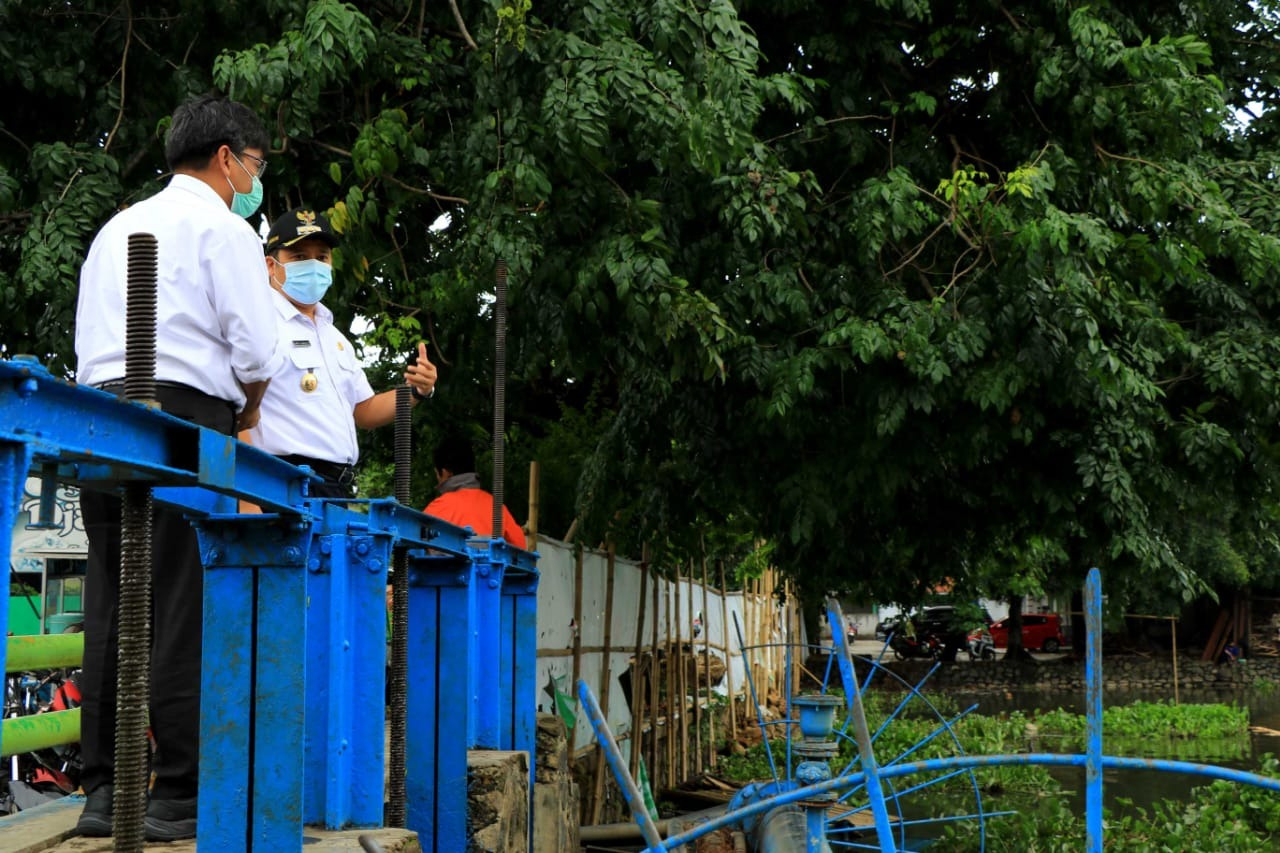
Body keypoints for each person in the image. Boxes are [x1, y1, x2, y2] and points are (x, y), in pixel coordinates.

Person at [73, 94, 285, 841]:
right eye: (256, 166)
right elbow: (259, 354)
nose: (255, 182)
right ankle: (177, 791)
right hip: (183, 414)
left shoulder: (114, 229)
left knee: (112, 596)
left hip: (102, 412)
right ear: (227, 158)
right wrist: (250, 410)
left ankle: (101, 791)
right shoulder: (224, 229)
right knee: (180, 598)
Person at [240, 207, 438, 498]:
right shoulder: (258, 321)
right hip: (280, 481)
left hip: (337, 486)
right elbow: (237, 409)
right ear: (271, 266)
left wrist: (415, 391)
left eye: (321, 257)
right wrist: (246, 494)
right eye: (298, 257)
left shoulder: (336, 338)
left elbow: (365, 411)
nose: (313, 265)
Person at [424, 433, 527, 548]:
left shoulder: (435, 509)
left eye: (437, 475)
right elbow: (521, 551)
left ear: (445, 472)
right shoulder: (498, 508)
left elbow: (417, 550)